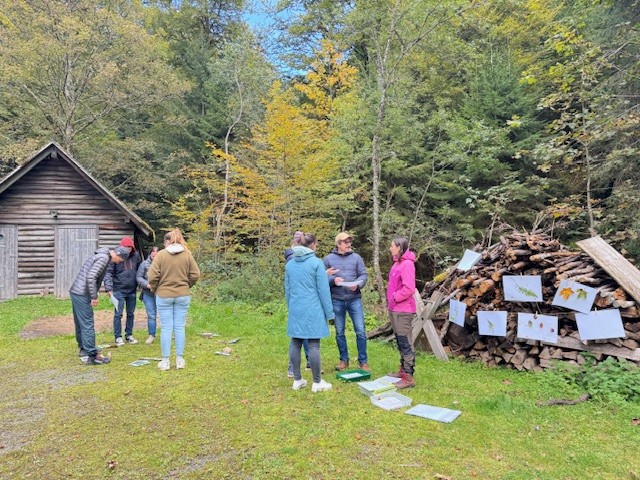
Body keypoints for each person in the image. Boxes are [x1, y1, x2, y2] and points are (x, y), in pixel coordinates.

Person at [285, 233, 334, 393]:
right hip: (313, 308)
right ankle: (317, 382)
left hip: (296, 307)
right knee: (313, 344)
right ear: (312, 245)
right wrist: (329, 313)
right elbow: (323, 290)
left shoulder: (290, 264)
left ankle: (297, 380)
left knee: (295, 342)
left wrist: (291, 307)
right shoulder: (316, 263)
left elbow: (288, 289)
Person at [148, 228, 200, 371]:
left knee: (166, 328)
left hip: (164, 295)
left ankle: (165, 361)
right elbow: (195, 274)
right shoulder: (187, 255)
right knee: (179, 327)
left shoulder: (161, 255)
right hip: (182, 295)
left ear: (168, 241)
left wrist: (155, 288)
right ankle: (179, 360)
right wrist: (187, 285)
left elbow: (152, 276)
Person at [69, 245, 131, 365]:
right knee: (87, 323)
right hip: (82, 293)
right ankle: (92, 355)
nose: (119, 262)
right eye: (120, 260)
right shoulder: (103, 258)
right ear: (117, 255)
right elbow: (91, 277)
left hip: (77, 291)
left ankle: (84, 349)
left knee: (80, 323)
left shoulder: (102, 256)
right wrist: (94, 296)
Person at [323, 232, 370, 372]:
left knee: (360, 331)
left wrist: (358, 284)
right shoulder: (328, 259)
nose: (349, 244)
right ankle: (344, 360)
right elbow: (321, 278)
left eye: (350, 241)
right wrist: (333, 280)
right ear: (338, 244)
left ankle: (363, 362)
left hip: (354, 299)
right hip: (337, 299)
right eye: (345, 242)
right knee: (339, 332)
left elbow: (363, 275)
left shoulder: (357, 258)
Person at [386, 236, 417, 389]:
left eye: (392, 246)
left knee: (405, 342)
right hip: (394, 309)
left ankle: (409, 377)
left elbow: (409, 288)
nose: (390, 248)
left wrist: (395, 297)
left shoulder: (407, 265)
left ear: (399, 247)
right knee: (399, 340)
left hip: (404, 310)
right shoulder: (397, 263)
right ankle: (402, 371)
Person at [104, 236, 142, 346]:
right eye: (126, 247)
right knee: (118, 314)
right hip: (118, 290)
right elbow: (108, 272)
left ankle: (129, 335)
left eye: (130, 247)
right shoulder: (116, 256)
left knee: (130, 313)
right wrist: (108, 288)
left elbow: (140, 270)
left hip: (132, 290)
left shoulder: (136, 256)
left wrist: (141, 284)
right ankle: (118, 337)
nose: (128, 249)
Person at [284, 231, 311, 377]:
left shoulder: (293, 259)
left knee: (301, 334)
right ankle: (293, 368)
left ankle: (307, 362)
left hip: (297, 301)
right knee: (299, 336)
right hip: (302, 300)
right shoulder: (295, 259)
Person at [136, 246, 159, 344]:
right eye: (153, 255)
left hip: (161, 293)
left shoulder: (163, 263)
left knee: (165, 314)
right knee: (151, 315)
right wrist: (146, 284)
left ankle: (169, 333)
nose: (155, 257)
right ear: (150, 254)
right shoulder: (144, 264)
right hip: (148, 293)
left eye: (157, 255)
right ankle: (151, 335)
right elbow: (138, 277)